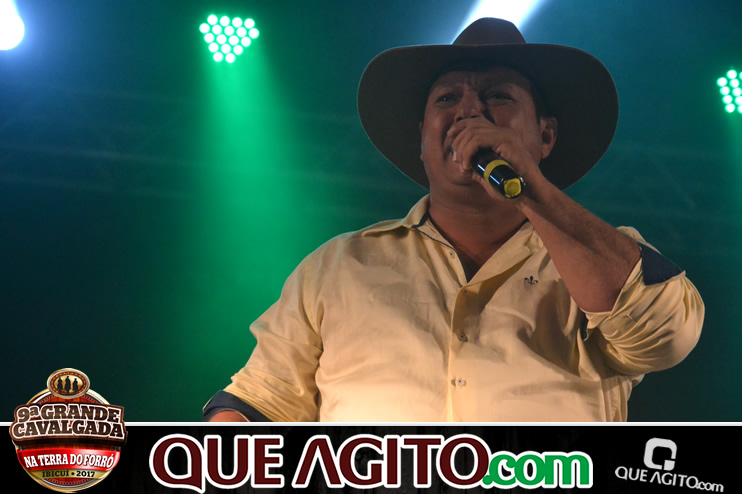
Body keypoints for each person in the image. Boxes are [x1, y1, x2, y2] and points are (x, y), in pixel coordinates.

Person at [202, 18, 703, 422]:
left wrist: (531, 190)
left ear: (546, 136)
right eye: (447, 99)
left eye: (498, 96)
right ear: (422, 138)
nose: (469, 112)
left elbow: (667, 336)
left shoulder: (601, 254)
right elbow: (260, 402)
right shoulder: (337, 266)